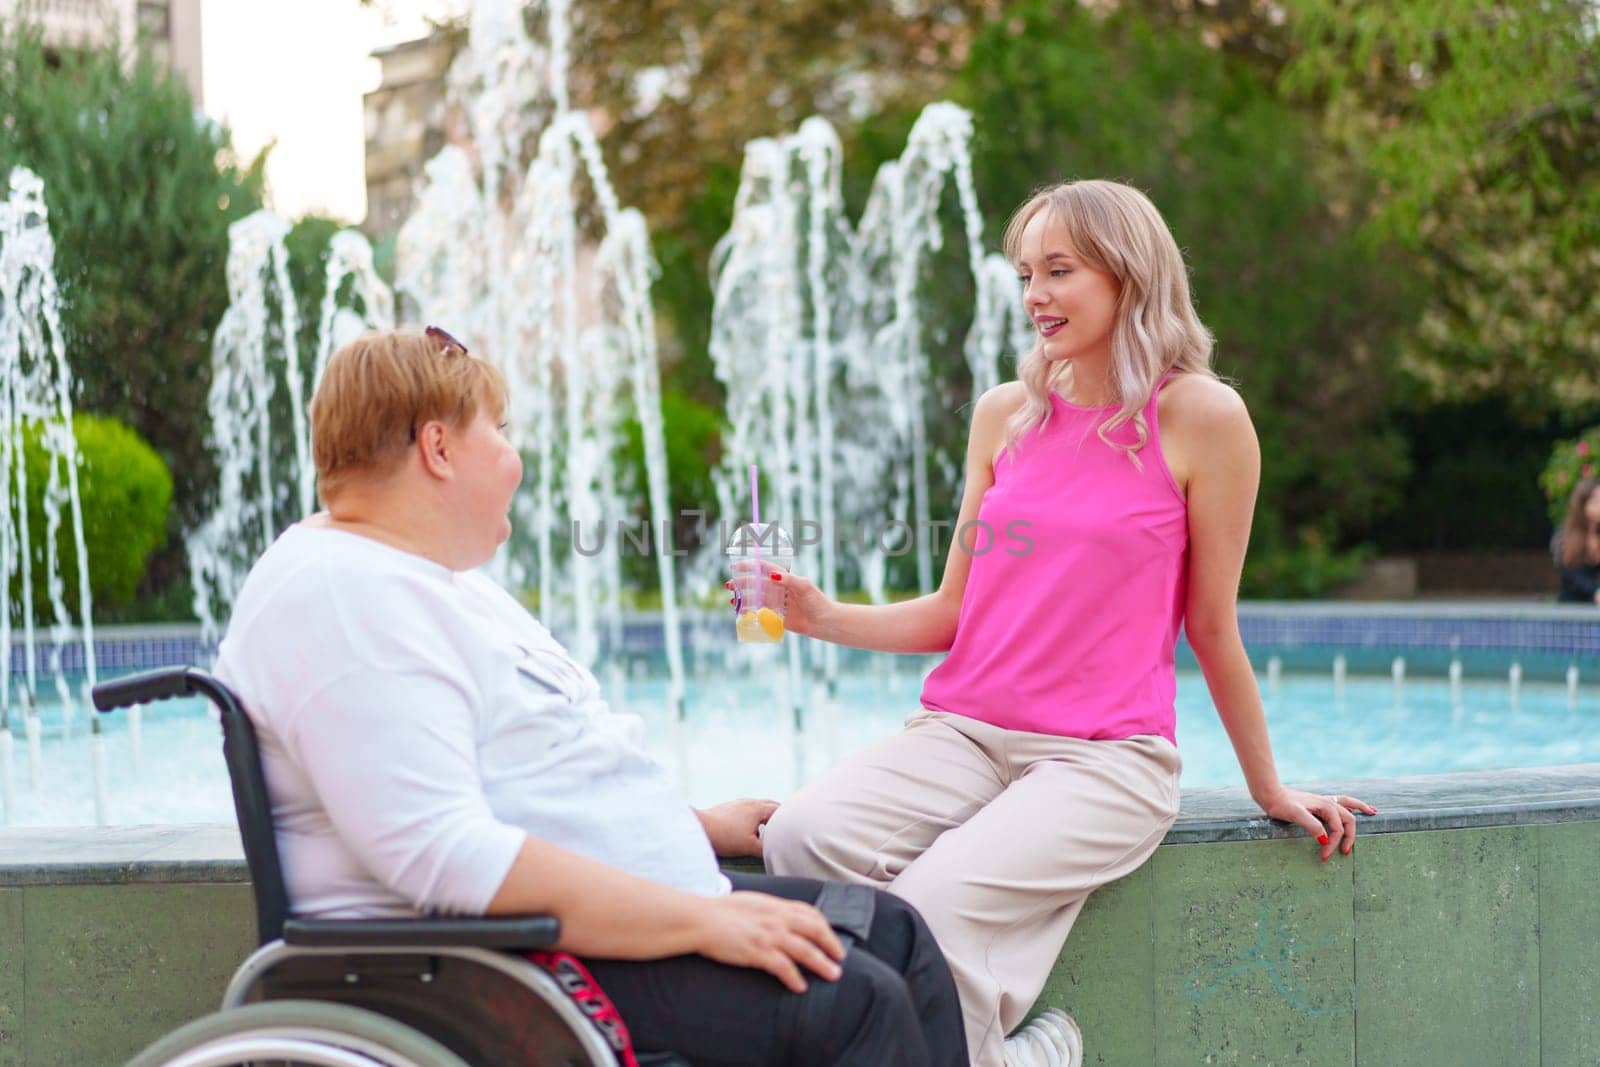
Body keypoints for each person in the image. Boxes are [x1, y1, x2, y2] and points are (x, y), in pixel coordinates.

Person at [744, 180, 1376, 1067]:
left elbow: (1212, 626)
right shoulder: (1007, 414)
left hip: (1105, 757)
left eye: (1059, 270)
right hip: (964, 732)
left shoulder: (1204, 417)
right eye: (1025, 274)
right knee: (806, 834)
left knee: (931, 904)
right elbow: (953, 613)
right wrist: (816, 614)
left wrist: (1269, 788)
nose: (1035, 294)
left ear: (1129, 276)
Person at [214, 327, 968, 1067]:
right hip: (504, 962)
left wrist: (692, 825)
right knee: (855, 1000)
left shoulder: (414, 575)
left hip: (600, 920)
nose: (517, 459)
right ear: (438, 449)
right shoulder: (346, 599)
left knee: (897, 932)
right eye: (500, 432)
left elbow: (534, 763)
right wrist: (703, 920)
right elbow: (444, 854)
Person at [1552, 476, 1600, 605]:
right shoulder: (1563, 537)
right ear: (1583, 506)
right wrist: (1595, 591)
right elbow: (1571, 575)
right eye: (1596, 502)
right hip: (1571, 608)